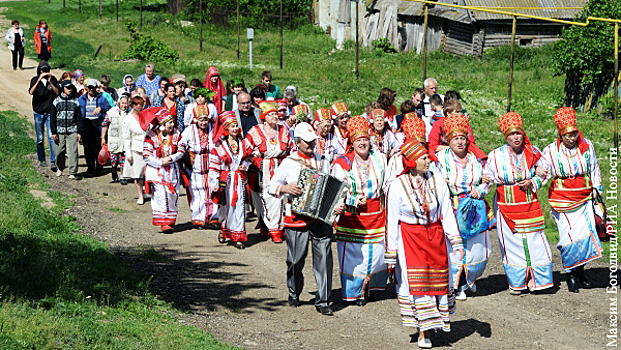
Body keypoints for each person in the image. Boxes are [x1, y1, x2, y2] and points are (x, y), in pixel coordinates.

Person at [385, 140, 463, 349]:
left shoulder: (438, 180)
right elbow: (391, 222)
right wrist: (391, 254)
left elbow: (447, 212)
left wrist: (456, 241)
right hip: (410, 240)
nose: (429, 161)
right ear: (411, 162)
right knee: (418, 285)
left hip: (436, 238)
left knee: (436, 283)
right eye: (423, 158)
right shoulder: (397, 186)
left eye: (428, 157)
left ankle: (432, 323)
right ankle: (423, 331)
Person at [267, 122, 344, 316]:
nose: (311, 146)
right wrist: (285, 189)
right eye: (307, 142)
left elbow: (331, 186)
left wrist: (336, 204)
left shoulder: (323, 159)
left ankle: (323, 300)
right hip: (297, 218)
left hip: (321, 218)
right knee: (295, 260)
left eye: (313, 142)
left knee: (325, 260)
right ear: (297, 142)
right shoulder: (289, 162)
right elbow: (271, 186)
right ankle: (294, 290)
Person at [484, 112, 553, 294]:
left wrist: (533, 181)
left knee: (534, 240)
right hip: (505, 204)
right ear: (506, 136)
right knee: (512, 242)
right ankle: (518, 282)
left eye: (518, 133)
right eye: (511, 134)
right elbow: (487, 178)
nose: (515, 137)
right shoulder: (496, 155)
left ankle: (538, 279)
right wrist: (478, 191)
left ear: (523, 134)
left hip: (529, 201)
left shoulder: (533, 151)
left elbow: (545, 170)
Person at [541, 107, 603, 293]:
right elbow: (543, 171)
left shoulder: (586, 146)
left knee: (584, 236)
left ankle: (581, 271)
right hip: (562, 200)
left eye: (574, 134)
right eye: (568, 135)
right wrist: (535, 178)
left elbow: (594, 168)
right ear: (561, 134)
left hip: (583, 196)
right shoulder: (551, 150)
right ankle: (570, 275)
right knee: (568, 238)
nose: (572, 138)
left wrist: (596, 189)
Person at [436, 114, 494, 301]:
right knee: (456, 247)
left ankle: (469, 279)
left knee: (476, 247)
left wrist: (480, 189)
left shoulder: (475, 157)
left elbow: (488, 179)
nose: (459, 142)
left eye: (462, 138)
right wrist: (446, 185)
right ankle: (457, 284)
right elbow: (435, 182)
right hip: (452, 206)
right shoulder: (440, 159)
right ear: (448, 140)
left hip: (475, 207)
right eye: (455, 139)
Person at [331, 115, 388, 306]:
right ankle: (356, 293)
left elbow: (388, 182)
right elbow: (337, 190)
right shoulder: (343, 163)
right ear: (352, 142)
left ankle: (371, 287)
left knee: (378, 254)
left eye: (365, 139)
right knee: (357, 257)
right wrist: (353, 199)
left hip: (377, 214)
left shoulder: (379, 157)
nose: (362, 143)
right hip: (353, 216)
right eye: (358, 140)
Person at [245, 101, 291, 243]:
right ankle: (266, 225)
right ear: (264, 117)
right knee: (261, 198)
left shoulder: (283, 130)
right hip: (261, 169)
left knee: (277, 198)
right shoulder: (255, 131)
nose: (274, 117)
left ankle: (276, 229)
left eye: (276, 114)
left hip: (279, 167)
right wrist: (256, 157)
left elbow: (290, 148)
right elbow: (247, 149)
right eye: (271, 115)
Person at [209, 111, 252, 249]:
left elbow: (251, 156)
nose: (235, 129)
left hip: (239, 179)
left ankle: (238, 236)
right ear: (226, 128)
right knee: (225, 207)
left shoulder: (243, 143)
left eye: (236, 126)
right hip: (225, 180)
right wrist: (214, 183)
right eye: (232, 126)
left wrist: (244, 165)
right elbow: (214, 165)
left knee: (239, 207)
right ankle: (224, 228)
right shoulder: (219, 146)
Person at [144, 108, 185, 233]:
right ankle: (164, 222)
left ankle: (171, 220)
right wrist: (160, 162)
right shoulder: (151, 136)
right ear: (162, 124)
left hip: (173, 170)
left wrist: (172, 158)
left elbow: (181, 149)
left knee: (173, 194)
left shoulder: (177, 134)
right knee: (161, 195)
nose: (172, 125)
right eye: (170, 123)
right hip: (157, 171)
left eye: (172, 122)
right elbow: (146, 155)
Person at [181, 104, 219, 229]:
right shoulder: (189, 131)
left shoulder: (214, 129)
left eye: (205, 119)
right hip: (195, 169)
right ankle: (199, 219)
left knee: (212, 191)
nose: (203, 123)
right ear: (196, 119)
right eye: (201, 120)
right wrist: (186, 157)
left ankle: (213, 218)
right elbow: (180, 145)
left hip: (212, 168)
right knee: (198, 193)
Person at [384, 115, 428, 191]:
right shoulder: (396, 159)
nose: (418, 148)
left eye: (421, 144)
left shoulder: (429, 158)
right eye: (415, 144)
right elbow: (388, 185)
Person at [29, 60, 59, 171]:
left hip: (49, 113)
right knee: (40, 138)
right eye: (43, 70)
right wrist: (39, 79)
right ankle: (41, 159)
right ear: (39, 70)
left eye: (46, 70)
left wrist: (50, 82)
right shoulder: (34, 80)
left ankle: (52, 161)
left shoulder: (53, 80)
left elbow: (57, 93)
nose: (45, 72)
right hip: (38, 113)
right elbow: (31, 92)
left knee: (52, 137)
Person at [50, 80, 83, 179]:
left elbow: (79, 118)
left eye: (71, 88)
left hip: (72, 129)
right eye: (67, 88)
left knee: (73, 151)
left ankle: (72, 171)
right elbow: (52, 118)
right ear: (63, 89)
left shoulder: (75, 102)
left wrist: (79, 132)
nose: (69, 90)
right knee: (59, 151)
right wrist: (54, 131)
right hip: (59, 131)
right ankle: (60, 167)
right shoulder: (56, 101)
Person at [78, 78, 111, 176]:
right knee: (88, 148)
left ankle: (99, 167)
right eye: (90, 87)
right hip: (86, 123)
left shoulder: (101, 98)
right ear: (87, 88)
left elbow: (110, 109)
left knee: (98, 147)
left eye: (94, 87)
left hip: (98, 123)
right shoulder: (81, 99)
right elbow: (78, 113)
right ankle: (90, 168)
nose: (92, 89)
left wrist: (101, 108)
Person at [123, 97, 148, 203]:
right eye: (140, 105)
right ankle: (140, 196)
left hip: (147, 148)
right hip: (135, 149)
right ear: (134, 105)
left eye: (143, 105)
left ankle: (145, 191)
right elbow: (126, 138)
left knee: (147, 174)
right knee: (137, 175)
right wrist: (128, 154)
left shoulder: (145, 116)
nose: (142, 107)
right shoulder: (127, 119)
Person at [101, 95, 129, 183]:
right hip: (114, 140)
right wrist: (103, 138)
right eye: (122, 103)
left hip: (125, 141)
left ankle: (122, 176)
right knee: (114, 161)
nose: (124, 105)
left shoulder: (129, 114)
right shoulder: (111, 112)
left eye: (126, 103)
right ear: (118, 103)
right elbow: (105, 125)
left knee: (123, 161)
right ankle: (114, 171)